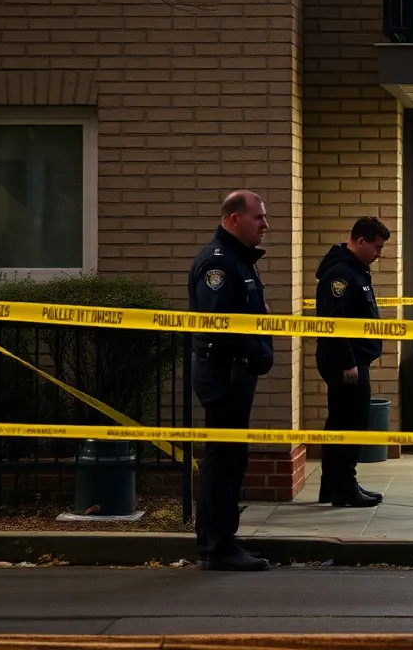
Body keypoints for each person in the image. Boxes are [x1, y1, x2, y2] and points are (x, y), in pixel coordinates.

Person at [188, 190, 275, 572]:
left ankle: (221, 541)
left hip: (235, 372)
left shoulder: (239, 259)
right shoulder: (218, 264)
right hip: (223, 372)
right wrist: (256, 353)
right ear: (234, 218)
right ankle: (217, 546)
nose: (265, 225)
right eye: (258, 218)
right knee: (223, 460)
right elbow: (219, 325)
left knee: (229, 458)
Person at [314, 216, 392, 509]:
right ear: (360, 241)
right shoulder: (341, 275)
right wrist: (349, 363)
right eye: (376, 247)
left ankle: (333, 486)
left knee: (339, 421)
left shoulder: (354, 269)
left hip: (352, 359)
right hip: (346, 362)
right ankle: (344, 487)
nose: (379, 253)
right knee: (352, 422)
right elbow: (334, 322)